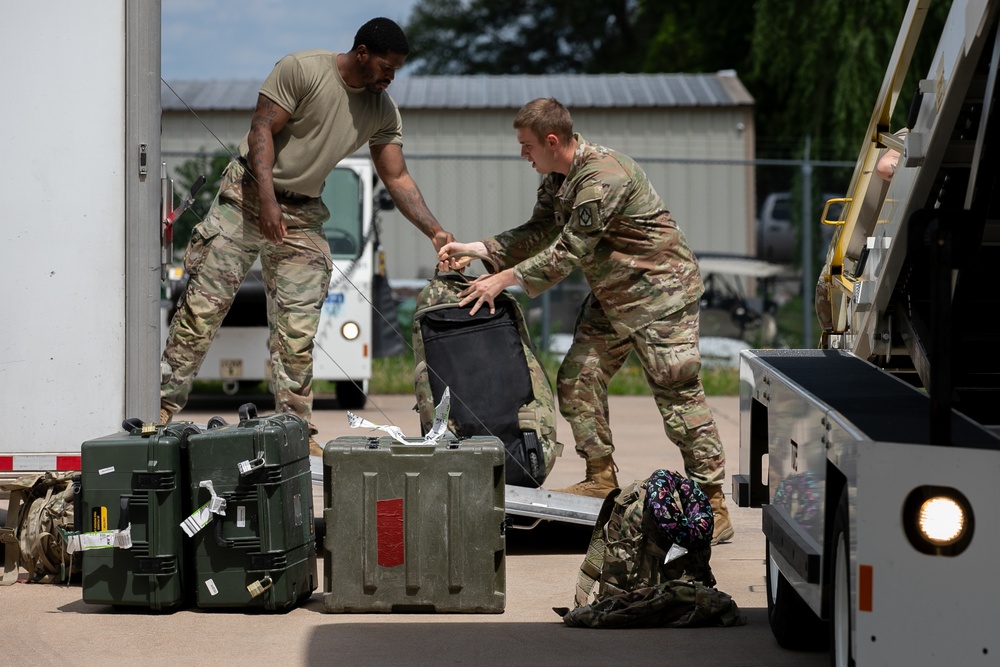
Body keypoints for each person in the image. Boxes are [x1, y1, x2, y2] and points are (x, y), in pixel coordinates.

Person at [437, 98, 734, 545]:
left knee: (678, 398)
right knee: (577, 379)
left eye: (527, 146)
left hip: (660, 296)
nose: (523, 155)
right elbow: (540, 231)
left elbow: (569, 249)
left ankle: (713, 503)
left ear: (551, 140)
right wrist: (475, 248)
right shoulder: (557, 179)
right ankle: (601, 475)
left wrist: (502, 281)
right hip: (614, 295)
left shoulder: (602, 177)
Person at [159, 18, 454, 456]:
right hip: (245, 198)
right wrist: (267, 200)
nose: (391, 77)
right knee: (201, 312)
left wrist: (435, 229)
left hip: (302, 214)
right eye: (386, 67)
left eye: (397, 70)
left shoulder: (382, 110)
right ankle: (159, 410)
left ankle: (294, 429)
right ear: (362, 54)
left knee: (296, 330)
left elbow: (397, 175)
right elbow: (261, 128)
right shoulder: (302, 70)